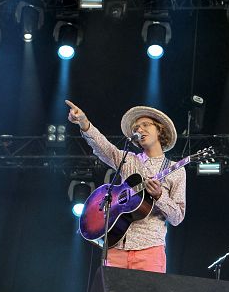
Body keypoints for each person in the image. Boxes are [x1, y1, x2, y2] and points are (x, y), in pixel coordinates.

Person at [65, 100, 186, 273]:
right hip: (115, 246)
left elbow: (177, 217)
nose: (139, 130)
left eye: (145, 125)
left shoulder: (176, 170)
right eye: (136, 127)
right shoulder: (128, 159)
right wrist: (84, 123)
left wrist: (160, 196)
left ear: (159, 129)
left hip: (150, 248)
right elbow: (103, 147)